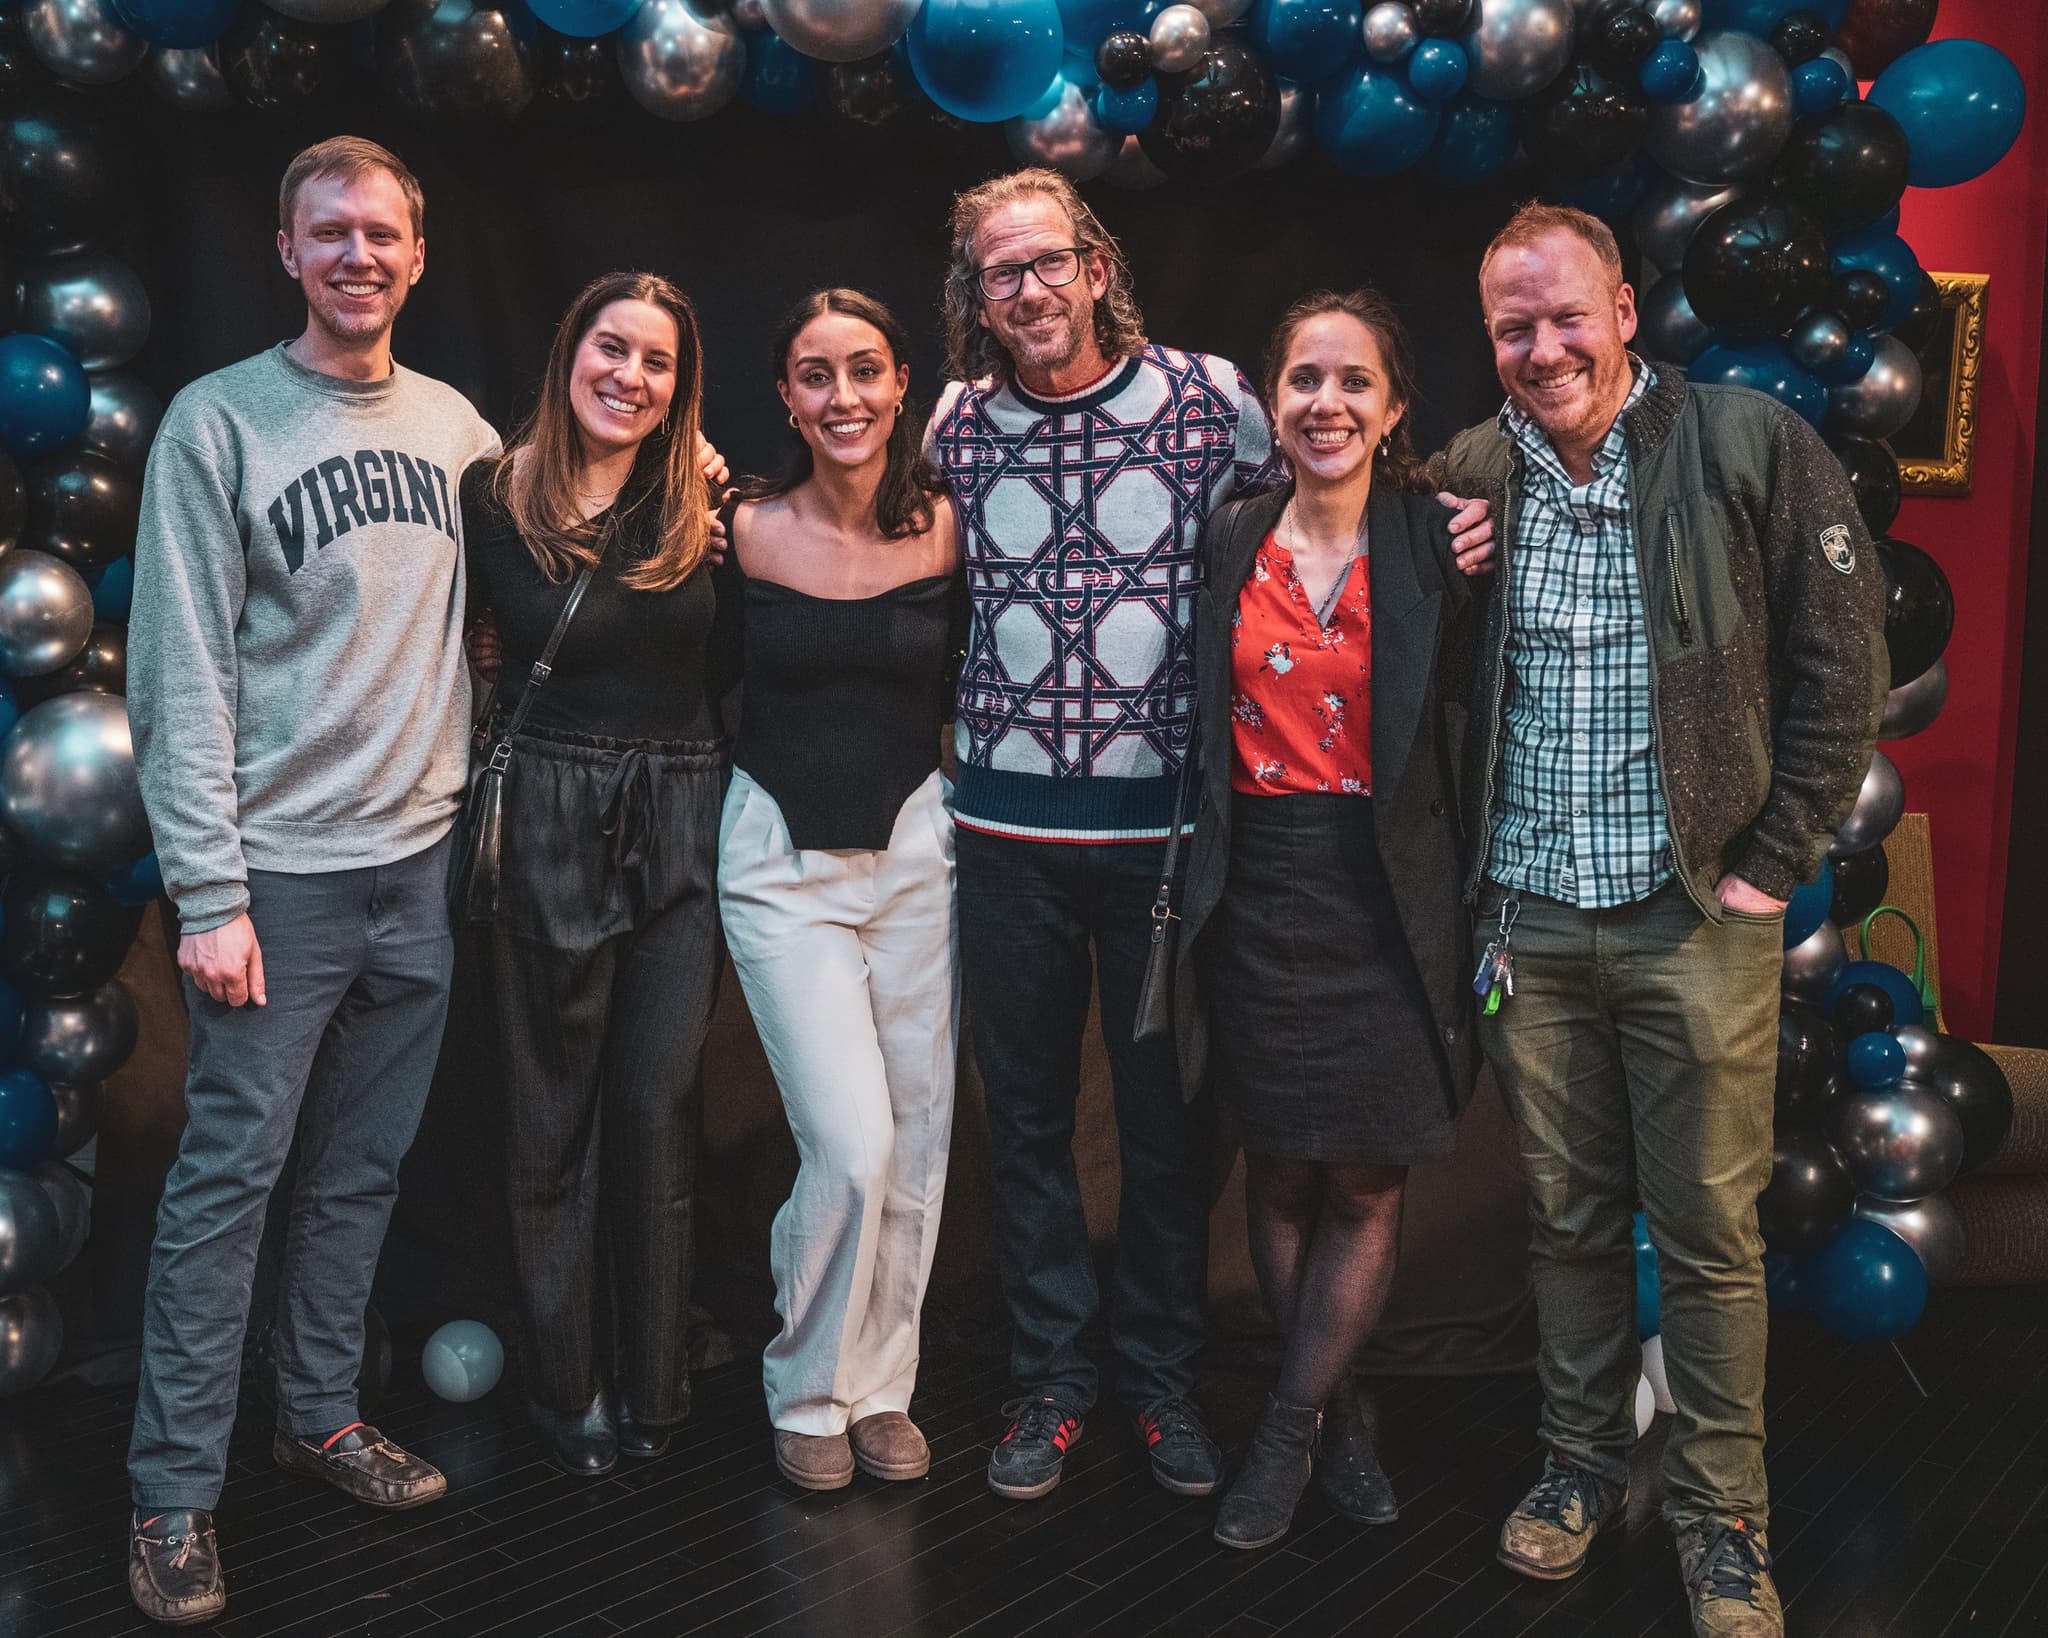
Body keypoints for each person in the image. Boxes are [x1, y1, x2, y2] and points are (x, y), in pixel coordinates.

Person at [927, 168, 1494, 1503]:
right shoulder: (951, 423)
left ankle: (1162, 1381)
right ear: (979, 296)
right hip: (1003, 830)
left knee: (1166, 1127)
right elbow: (855, 513)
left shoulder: (1208, 401)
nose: (1030, 290)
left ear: (1099, 266)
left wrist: (1443, 522)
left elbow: (1325, 513)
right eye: (1001, 272)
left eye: (1050, 261)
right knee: (1023, 1124)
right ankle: (1054, 1381)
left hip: (1168, 838)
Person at [1430, 204, 1886, 1638]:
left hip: (1698, 914)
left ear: (1626, 309)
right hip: (1531, 916)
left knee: (1706, 1229)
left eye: (1567, 315)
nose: (1542, 347)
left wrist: (1773, 859)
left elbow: (1843, 662)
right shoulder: (1472, 471)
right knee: (1566, 1216)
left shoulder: (1748, 441)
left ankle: (1723, 1520)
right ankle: (1576, 1470)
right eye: (1514, 326)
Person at [125, 137, 501, 1627]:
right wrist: (207, 893)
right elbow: (180, 671)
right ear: (286, 250)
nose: (359, 253)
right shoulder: (216, 426)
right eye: (329, 230)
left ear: (420, 255)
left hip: (418, 871)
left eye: (384, 232)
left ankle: (320, 1412)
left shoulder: (460, 428)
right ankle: (171, 1494)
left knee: (360, 1171)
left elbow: (549, 545)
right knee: (227, 1193)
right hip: (272, 884)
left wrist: (700, 478)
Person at [1175, 290, 1489, 1550]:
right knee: (1280, 1162)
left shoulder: (1435, 536)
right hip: (1253, 880)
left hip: (1388, 889)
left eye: (1354, 382)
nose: (1326, 403)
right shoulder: (1228, 533)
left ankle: (1282, 1431)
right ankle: (1333, 1410)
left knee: (1360, 1175)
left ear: (1394, 406)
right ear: (1271, 397)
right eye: (1303, 378)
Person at [460, 271, 734, 1478]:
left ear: (681, 387)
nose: (630, 376)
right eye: (610, 349)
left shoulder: (702, 503)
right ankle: (565, 1386)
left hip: (682, 803)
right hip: (552, 810)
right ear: (569, 354)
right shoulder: (491, 495)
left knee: (655, 1108)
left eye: (657, 361)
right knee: (548, 1119)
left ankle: (656, 1385)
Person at [718, 288, 962, 1493]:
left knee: (916, 1146)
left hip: (918, 851)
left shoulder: (951, 530)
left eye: (863, 369)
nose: (843, 397)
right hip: (779, 862)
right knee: (853, 1146)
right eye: (815, 375)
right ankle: (806, 1383)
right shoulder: (739, 528)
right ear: (785, 396)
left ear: (901, 380)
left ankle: (881, 1389)